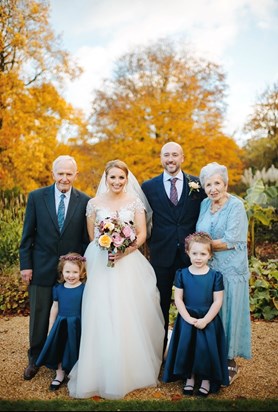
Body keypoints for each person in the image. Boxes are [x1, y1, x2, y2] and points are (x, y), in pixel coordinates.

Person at [67, 159, 165, 400]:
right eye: (113, 177)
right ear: (106, 178)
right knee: (100, 312)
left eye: (121, 177)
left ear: (126, 178)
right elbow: (93, 236)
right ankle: (99, 371)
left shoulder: (134, 202)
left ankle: (131, 370)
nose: (117, 182)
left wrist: (124, 250)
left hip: (128, 261)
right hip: (101, 263)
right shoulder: (93, 204)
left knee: (128, 311)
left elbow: (141, 233)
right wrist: (108, 246)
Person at [20, 155, 90, 381]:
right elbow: (27, 235)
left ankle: (65, 359)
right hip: (40, 267)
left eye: (69, 174)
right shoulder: (36, 197)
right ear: (53, 174)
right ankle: (35, 359)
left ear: (76, 175)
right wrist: (26, 266)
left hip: (71, 273)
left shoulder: (85, 201)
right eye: (60, 173)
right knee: (40, 315)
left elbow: (84, 241)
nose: (64, 178)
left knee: (69, 316)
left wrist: (81, 270)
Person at [141, 141, 206, 355]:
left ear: (182, 158)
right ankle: (158, 355)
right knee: (158, 307)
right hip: (161, 256)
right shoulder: (148, 187)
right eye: (166, 155)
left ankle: (187, 355)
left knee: (191, 305)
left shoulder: (198, 185)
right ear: (161, 159)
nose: (170, 159)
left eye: (175, 154)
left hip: (191, 258)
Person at [196, 162, 252, 385]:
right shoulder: (203, 204)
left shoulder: (235, 206)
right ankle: (212, 356)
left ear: (226, 183)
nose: (213, 188)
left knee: (228, 311)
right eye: (208, 184)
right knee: (212, 312)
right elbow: (200, 231)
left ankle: (229, 360)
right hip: (210, 268)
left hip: (231, 268)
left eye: (217, 183)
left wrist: (201, 247)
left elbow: (231, 240)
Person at [162, 232, 229, 397]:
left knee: (205, 349)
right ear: (188, 253)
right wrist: (187, 318)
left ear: (210, 255)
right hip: (188, 317)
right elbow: (177, 298)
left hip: (208, 319)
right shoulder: (182, 274)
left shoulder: (215, 276)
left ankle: (206, 379)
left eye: (203, 254)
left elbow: (217, 301)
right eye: (194, 253)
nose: (198, 257)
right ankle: (189, 378)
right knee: (188, 347)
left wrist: (205, 320)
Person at [35, 252, 86, 391]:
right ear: (62, 272)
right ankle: (59, 374)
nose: (71, 275)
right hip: (61, 323)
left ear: (81, 272)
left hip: (77, 324)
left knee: (75, 348)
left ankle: (75, 373)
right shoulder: (58, 289)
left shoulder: (84, 289)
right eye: (67, 271)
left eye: (75, 272)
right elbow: (54, 308)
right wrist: (51, 327)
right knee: (59, 348)